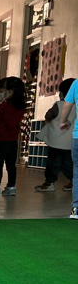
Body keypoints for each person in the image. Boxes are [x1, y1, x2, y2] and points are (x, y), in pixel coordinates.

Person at [35, 77, 76, 192]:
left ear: (62, 94)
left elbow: (49, 115)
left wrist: (48, 121)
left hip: (56, 142)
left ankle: (49, 183)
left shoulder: (59, 105)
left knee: (53, 163)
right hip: (70, 141)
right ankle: (72, 182)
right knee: (69, 164)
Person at [59, 77, 78, 220]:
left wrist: (63, 121)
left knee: (77, 173)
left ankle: (76, 209)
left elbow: (67, 105)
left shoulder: (77, 83)